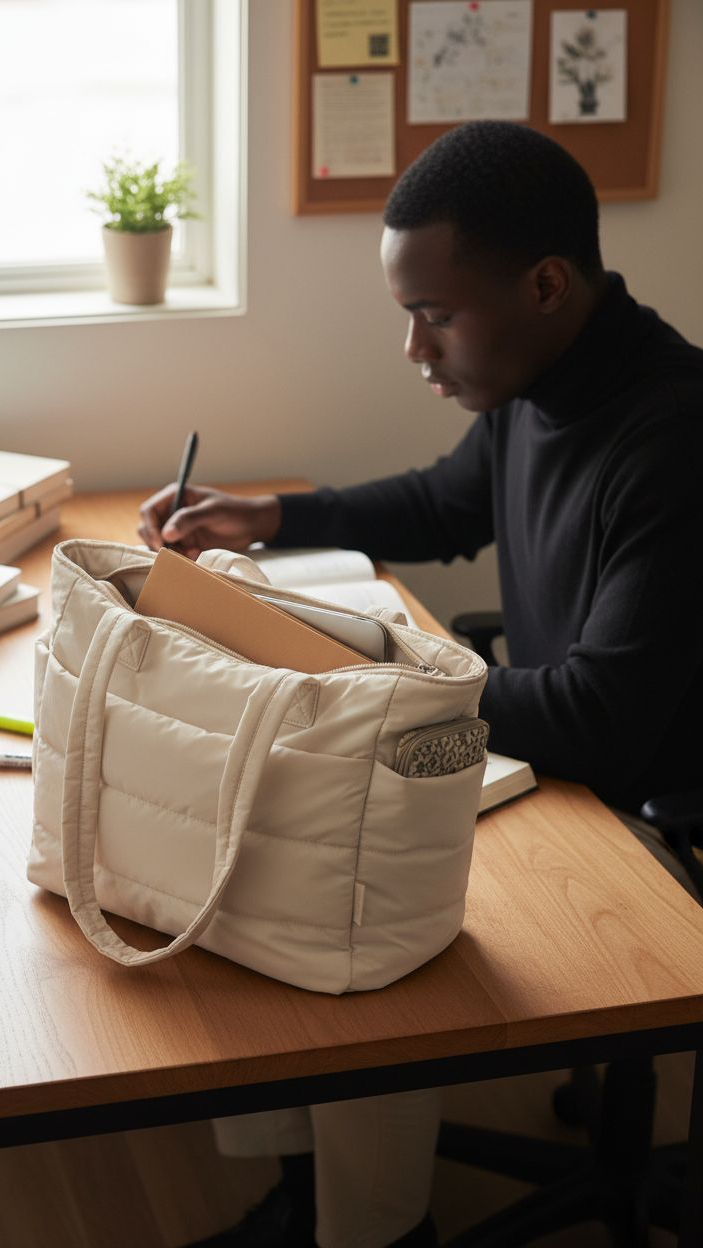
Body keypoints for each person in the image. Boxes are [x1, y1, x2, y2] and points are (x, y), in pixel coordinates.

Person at [138, 121, 703, 1247]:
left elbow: (602, 717)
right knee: (263, 827)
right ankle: (310, 1192)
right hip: (554, 747)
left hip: (637, 801)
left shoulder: (673, 436)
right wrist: (274, 516)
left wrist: (363, 664)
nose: (413, 349)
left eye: (433, 315)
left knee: (343, 894)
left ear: (544, 286)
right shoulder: (544, 378)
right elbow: (446, 502)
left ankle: (371, 1226)